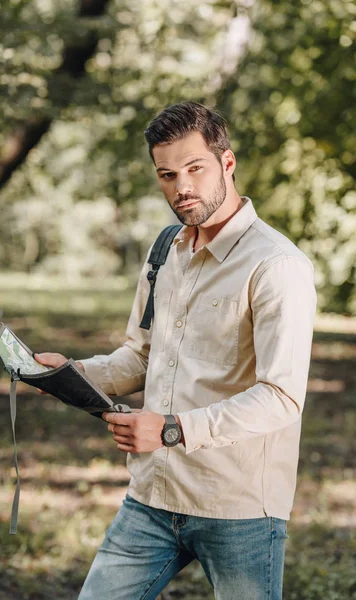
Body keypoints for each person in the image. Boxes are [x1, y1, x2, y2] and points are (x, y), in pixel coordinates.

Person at [36, 102, 317, 600]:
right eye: (167, 174)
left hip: (239, 507)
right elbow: (141, 356)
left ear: (227, 164)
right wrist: (73, 373)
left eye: (195, 168)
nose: (181, 186)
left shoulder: (276, 266)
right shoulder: (165, 250)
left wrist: (170, 429)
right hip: (152, 495)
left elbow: (281, 396)